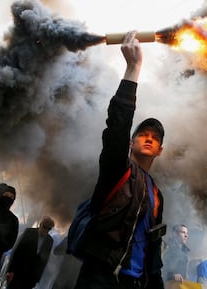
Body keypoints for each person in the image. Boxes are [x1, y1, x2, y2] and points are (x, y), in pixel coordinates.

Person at [73, 31, 166, 289]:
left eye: (155, 138)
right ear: (130, 143)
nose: (149, 139)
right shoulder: (119, 171)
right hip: (101, 280)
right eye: (143, 135)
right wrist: (133, 68)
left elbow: (152, 248)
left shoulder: (157, 195)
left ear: (160, 150)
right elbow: (117, 127)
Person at [7, 216, 55, 289]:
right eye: (45, 227)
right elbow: (17, 251)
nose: (46, 230)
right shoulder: (29, 232)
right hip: (18, 272)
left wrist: (37, 278)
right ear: (40, 224)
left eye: (49, 228)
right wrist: (10, 270)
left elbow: (44, 261)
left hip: (31, 277)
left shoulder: (49, 241)